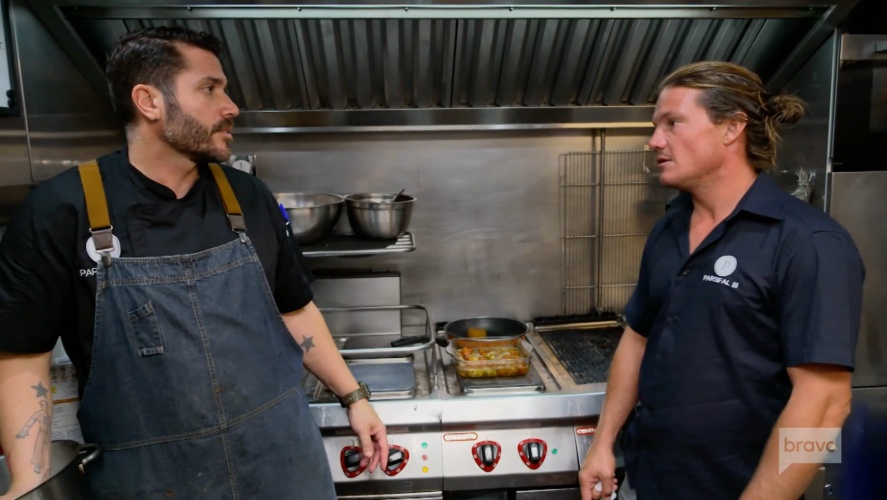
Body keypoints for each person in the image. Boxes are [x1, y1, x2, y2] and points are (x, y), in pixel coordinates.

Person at [0, 26, 388, 499]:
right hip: (152, 479)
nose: (231, 106)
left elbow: (295, 309)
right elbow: (23, 355)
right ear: (149, 101)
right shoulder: (61, 210)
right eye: (209, 89)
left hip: (282, 462)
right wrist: (30, 480)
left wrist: (354, 396)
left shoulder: (249, 197)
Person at [578, 61, 864, 500]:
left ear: (732, 127)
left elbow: (826, 404)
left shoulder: (809, 243)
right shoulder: (670, 227)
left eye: (673, 123)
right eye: (656, 126)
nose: (654, 141)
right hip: (653, 480)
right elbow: (638, 339)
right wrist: (603, 442)